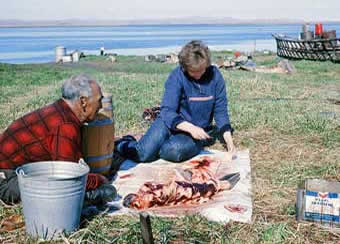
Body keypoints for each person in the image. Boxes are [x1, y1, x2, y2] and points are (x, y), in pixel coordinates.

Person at [0, 74, 116, 205]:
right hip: (7, 180)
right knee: (68, 194)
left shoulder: (60, 110)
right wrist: (98, 180)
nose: (101, 106)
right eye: (99, 100)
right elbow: (68, 176)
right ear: (83, 101)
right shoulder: (65, 125)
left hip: (12, 170)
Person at [116, 40, 235, 163]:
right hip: (170, 123)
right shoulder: (177, 76)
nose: (198, 74)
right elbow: (167, 111)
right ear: (185, 67)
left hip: (196, 131)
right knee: (143, 154)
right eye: (193, 71)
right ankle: (122, 143)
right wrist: (190, 127)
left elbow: (220, 111)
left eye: (201, 70)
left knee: (173, 151)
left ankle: (156, 145)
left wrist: (229, 142)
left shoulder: (215, 76)